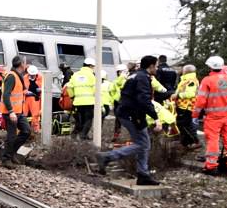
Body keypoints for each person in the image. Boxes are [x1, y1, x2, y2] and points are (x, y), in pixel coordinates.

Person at [95, 55, 161, 186]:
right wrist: (156, 117)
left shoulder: (134, 75)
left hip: (127, 112)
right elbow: (144, 100)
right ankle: (107, 157)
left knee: (144, 144)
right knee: (143, 144)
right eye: (157, 66)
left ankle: (143, 175)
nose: (157, 68)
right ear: (151, 66)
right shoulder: (143, 78)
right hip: (133, 114)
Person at [192, 55, 227, 178]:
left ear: (210, 66)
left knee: (213, 140)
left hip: (213, 117)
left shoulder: (207, 80)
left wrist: (195, 114)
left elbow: (201, 101)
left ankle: (211, 166)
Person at [0, 55, 31, 169]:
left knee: (26, 131)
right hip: (10, 112)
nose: (26, 65)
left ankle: (11, 154)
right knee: (11, 136)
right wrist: (11, 111)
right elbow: (6, 94)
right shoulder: (12, 76)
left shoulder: (18, 75)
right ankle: (6, 159)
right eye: (25, 63)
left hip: (18, 111)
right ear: (21, 64)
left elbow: (16, 92)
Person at [67, 57, 97, 140]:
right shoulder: (91, 76)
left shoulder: (76, 74)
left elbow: (69, 87)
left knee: (81, 119)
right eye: (93, 66)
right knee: (88, 119)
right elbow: (95, 89)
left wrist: (72, 96)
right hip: (89, 102)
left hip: (78, 102)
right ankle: (83, 135)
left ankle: (79, 135)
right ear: (90, 66)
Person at [171, 64, 200, 148]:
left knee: (185, 125)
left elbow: (190, 93)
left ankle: (194, 141)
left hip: (187, 106)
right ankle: (184, 142)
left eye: (183, 69)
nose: (182, 71)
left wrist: (178, 95)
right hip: (182, 105)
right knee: (183, 124)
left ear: (186, 71)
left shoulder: (191, 81)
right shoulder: (186, 79)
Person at [112, 62, 133, 142]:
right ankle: (116, 134)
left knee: (124, 119)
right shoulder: (125, 80)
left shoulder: (127, 80)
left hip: (123, 102)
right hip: (119, 102)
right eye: (119, 72)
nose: (120, 73)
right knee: (119, 119)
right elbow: (112, 90)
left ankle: (131, 135)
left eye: (121, 72)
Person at [25, 65, 42, 133]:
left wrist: (40, 89)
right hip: (26, 98)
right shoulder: (25, 78)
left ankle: (36, 130)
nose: (32, 76)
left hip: (35, 98)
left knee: (35, 115)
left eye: (33, 75)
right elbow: (22, 88)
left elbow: (44, 88)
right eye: (31, 74)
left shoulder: (40, 78)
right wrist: (26, 92)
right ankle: (23, 130)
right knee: (23, 115)